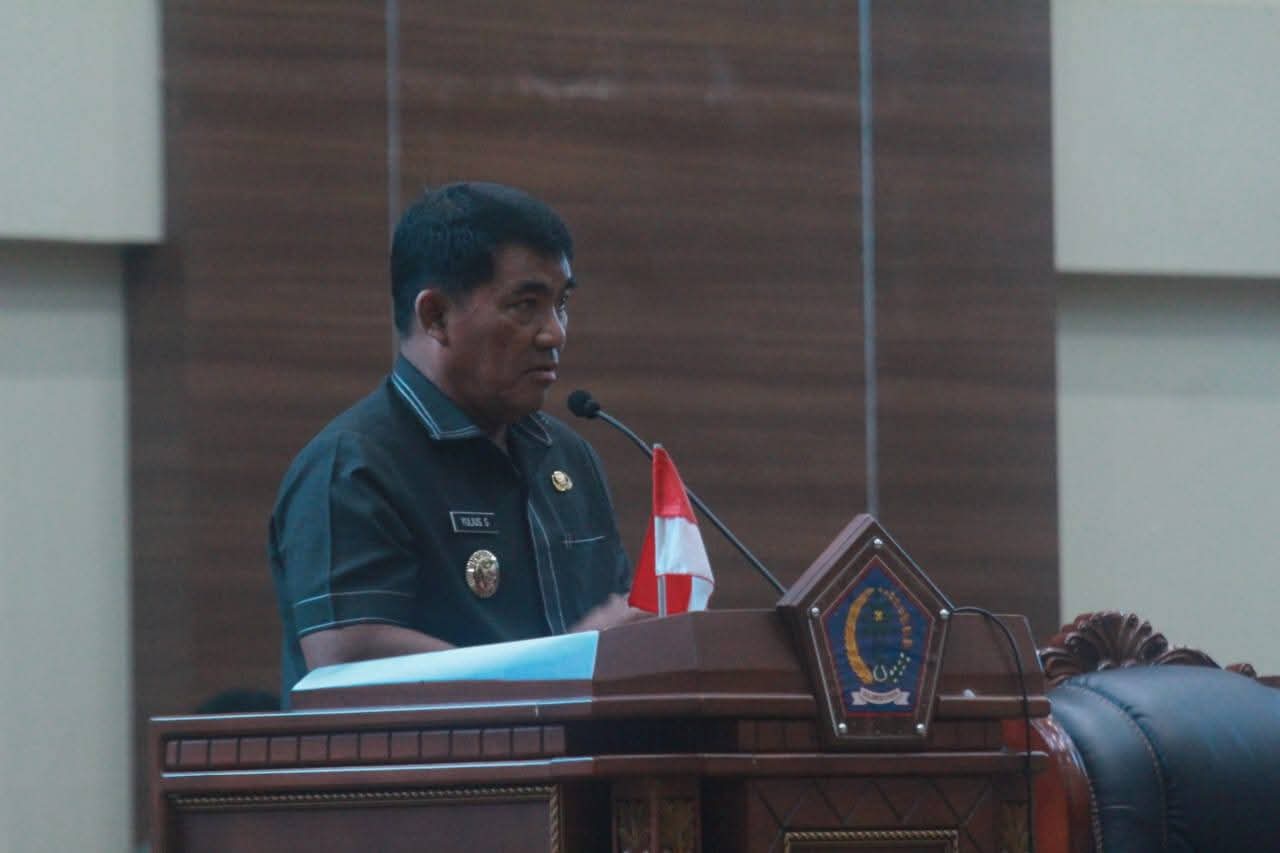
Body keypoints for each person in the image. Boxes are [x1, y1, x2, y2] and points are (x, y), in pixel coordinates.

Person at [269, 182, 636, 700]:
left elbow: (614, 621)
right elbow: (350, 661)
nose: (554, 333)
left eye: (562, 304)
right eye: (525, 305)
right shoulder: (353, 466)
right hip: (433, 757)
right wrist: (566, 666)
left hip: (575, 752)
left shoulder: (568, 458)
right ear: (435, 316)